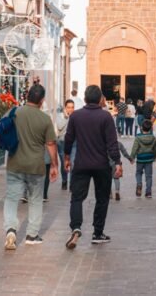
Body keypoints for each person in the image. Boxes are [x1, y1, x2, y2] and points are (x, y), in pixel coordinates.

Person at [64, 85, 122, 249]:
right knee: (102, 199)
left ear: (85, 97)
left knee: (76, 197)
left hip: (81, 163)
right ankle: (97, 233)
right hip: (101, 164)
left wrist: (67, 157)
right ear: (100, 99)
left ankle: (76, 227)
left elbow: (69, 139)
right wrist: (117, 162)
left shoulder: (76, 116)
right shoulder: (106, 117)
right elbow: (112, 143)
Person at [4, 84, 58, 250]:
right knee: (35, 200)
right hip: (36, 166)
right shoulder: (44, 119)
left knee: (12, 198)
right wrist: (55, 165)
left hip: (15, 163)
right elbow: (50, 144)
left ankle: (11, 230)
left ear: (27, 96)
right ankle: (31, 235)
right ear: (42, 100)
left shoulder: (14, 113)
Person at [130, 119, 156, 198]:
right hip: (149, 159)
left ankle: (139, 184)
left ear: (141, 128)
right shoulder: (153, 137)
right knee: (149, 176)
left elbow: (134, 148)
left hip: (140, 159)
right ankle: (148, 193)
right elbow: (155, 148)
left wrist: (132, 157)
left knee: (138, 173)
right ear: (150, 128)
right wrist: (155, 156)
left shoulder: (138, 137)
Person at [56, 100, 76, 190]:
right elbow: (60, 127)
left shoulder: (76, 117)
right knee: (64, 163)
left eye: (72, 107)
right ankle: (64, 181)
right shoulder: (60, 116)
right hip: (62, 142)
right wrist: (66, 117)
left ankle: (72, 184)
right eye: (69, 107)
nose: (71, 109)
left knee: (72, 163)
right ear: (65, 108)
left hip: (74, 142)